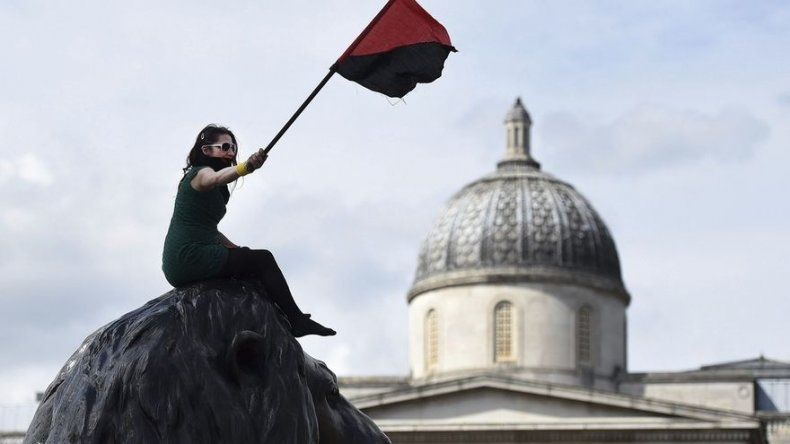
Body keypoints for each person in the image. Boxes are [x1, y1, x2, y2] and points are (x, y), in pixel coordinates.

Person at [162, 124, 335, 337]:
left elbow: (210, 230)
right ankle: (296, 320)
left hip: (185, 256)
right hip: (189, 256)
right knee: (263, 259)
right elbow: (214, 178)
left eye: (233, 147)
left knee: (250, 258)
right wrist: (248, 166)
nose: (230, 152)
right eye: (224, 147)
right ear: (207, 151)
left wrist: (237, 249)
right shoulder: (200, 174)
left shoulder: (216, 187)